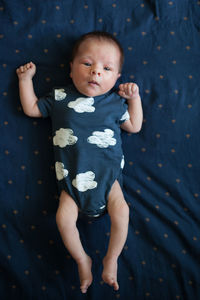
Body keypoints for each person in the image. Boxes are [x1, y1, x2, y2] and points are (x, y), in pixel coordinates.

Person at [16, 31, 143, 293]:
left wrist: (134, 99)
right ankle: (81, 259)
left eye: (106, 68)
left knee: (122, 212)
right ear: (71, 68)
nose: (96, 72)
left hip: (109, 181)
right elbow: (31, 108)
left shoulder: (116, 102)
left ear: (117, 77)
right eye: (87, 64)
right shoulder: (61, 97)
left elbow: (135, 126)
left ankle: (111, 259)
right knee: (64, 219)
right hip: (71, 182)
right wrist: (25, 80)